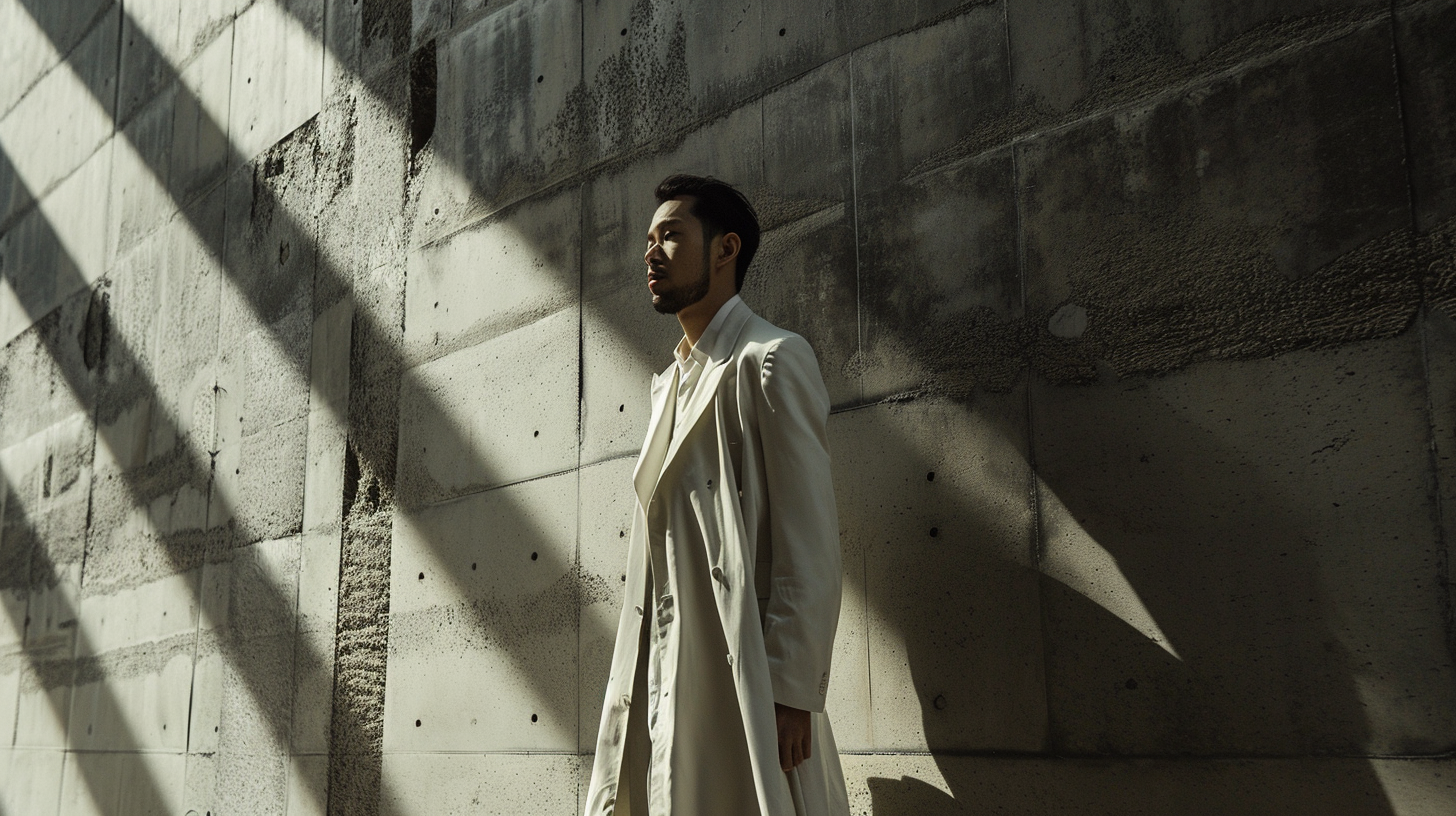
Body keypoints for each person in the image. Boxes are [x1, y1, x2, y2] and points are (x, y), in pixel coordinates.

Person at [583, 175, 850, 816]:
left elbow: (808, 538)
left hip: (747, 679)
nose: (651, 252)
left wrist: (792, 690)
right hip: (670, 674)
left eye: (671, 235)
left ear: (725, 249)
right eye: (648, 239)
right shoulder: (668, 387)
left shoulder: (771, 360)